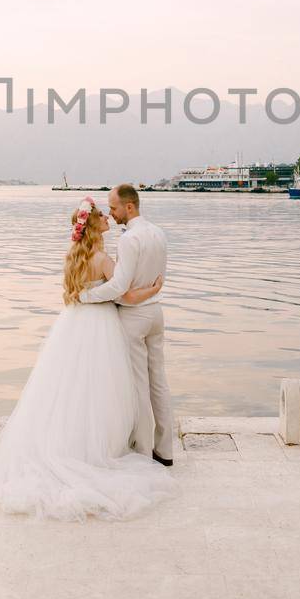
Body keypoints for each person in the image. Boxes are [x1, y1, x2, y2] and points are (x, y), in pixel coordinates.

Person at [0, 195, 176, 520]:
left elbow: (73, 291)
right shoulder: (102, 259)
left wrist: (84, 296)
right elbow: (124, 292)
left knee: (68, 385)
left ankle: (72, 442)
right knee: (103, 386)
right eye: (103, 215)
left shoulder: (72, 257)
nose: (107, 217)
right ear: (93, 226)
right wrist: (153, 290)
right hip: (101, 323)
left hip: (72, 323)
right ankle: (109, 447)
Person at [76, 183, 174, 464]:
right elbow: (157, 278)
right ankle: (165, 450)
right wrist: (151, 292)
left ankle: (143, 451)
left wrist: (87, 296)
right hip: (156, 312)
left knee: (139, 385)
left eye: (114, 207)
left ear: (129, 207)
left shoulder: (129, 239)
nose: (111, 213)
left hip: (134, 316)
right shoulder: (158, 233)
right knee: (159, 381)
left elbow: (119, 287)